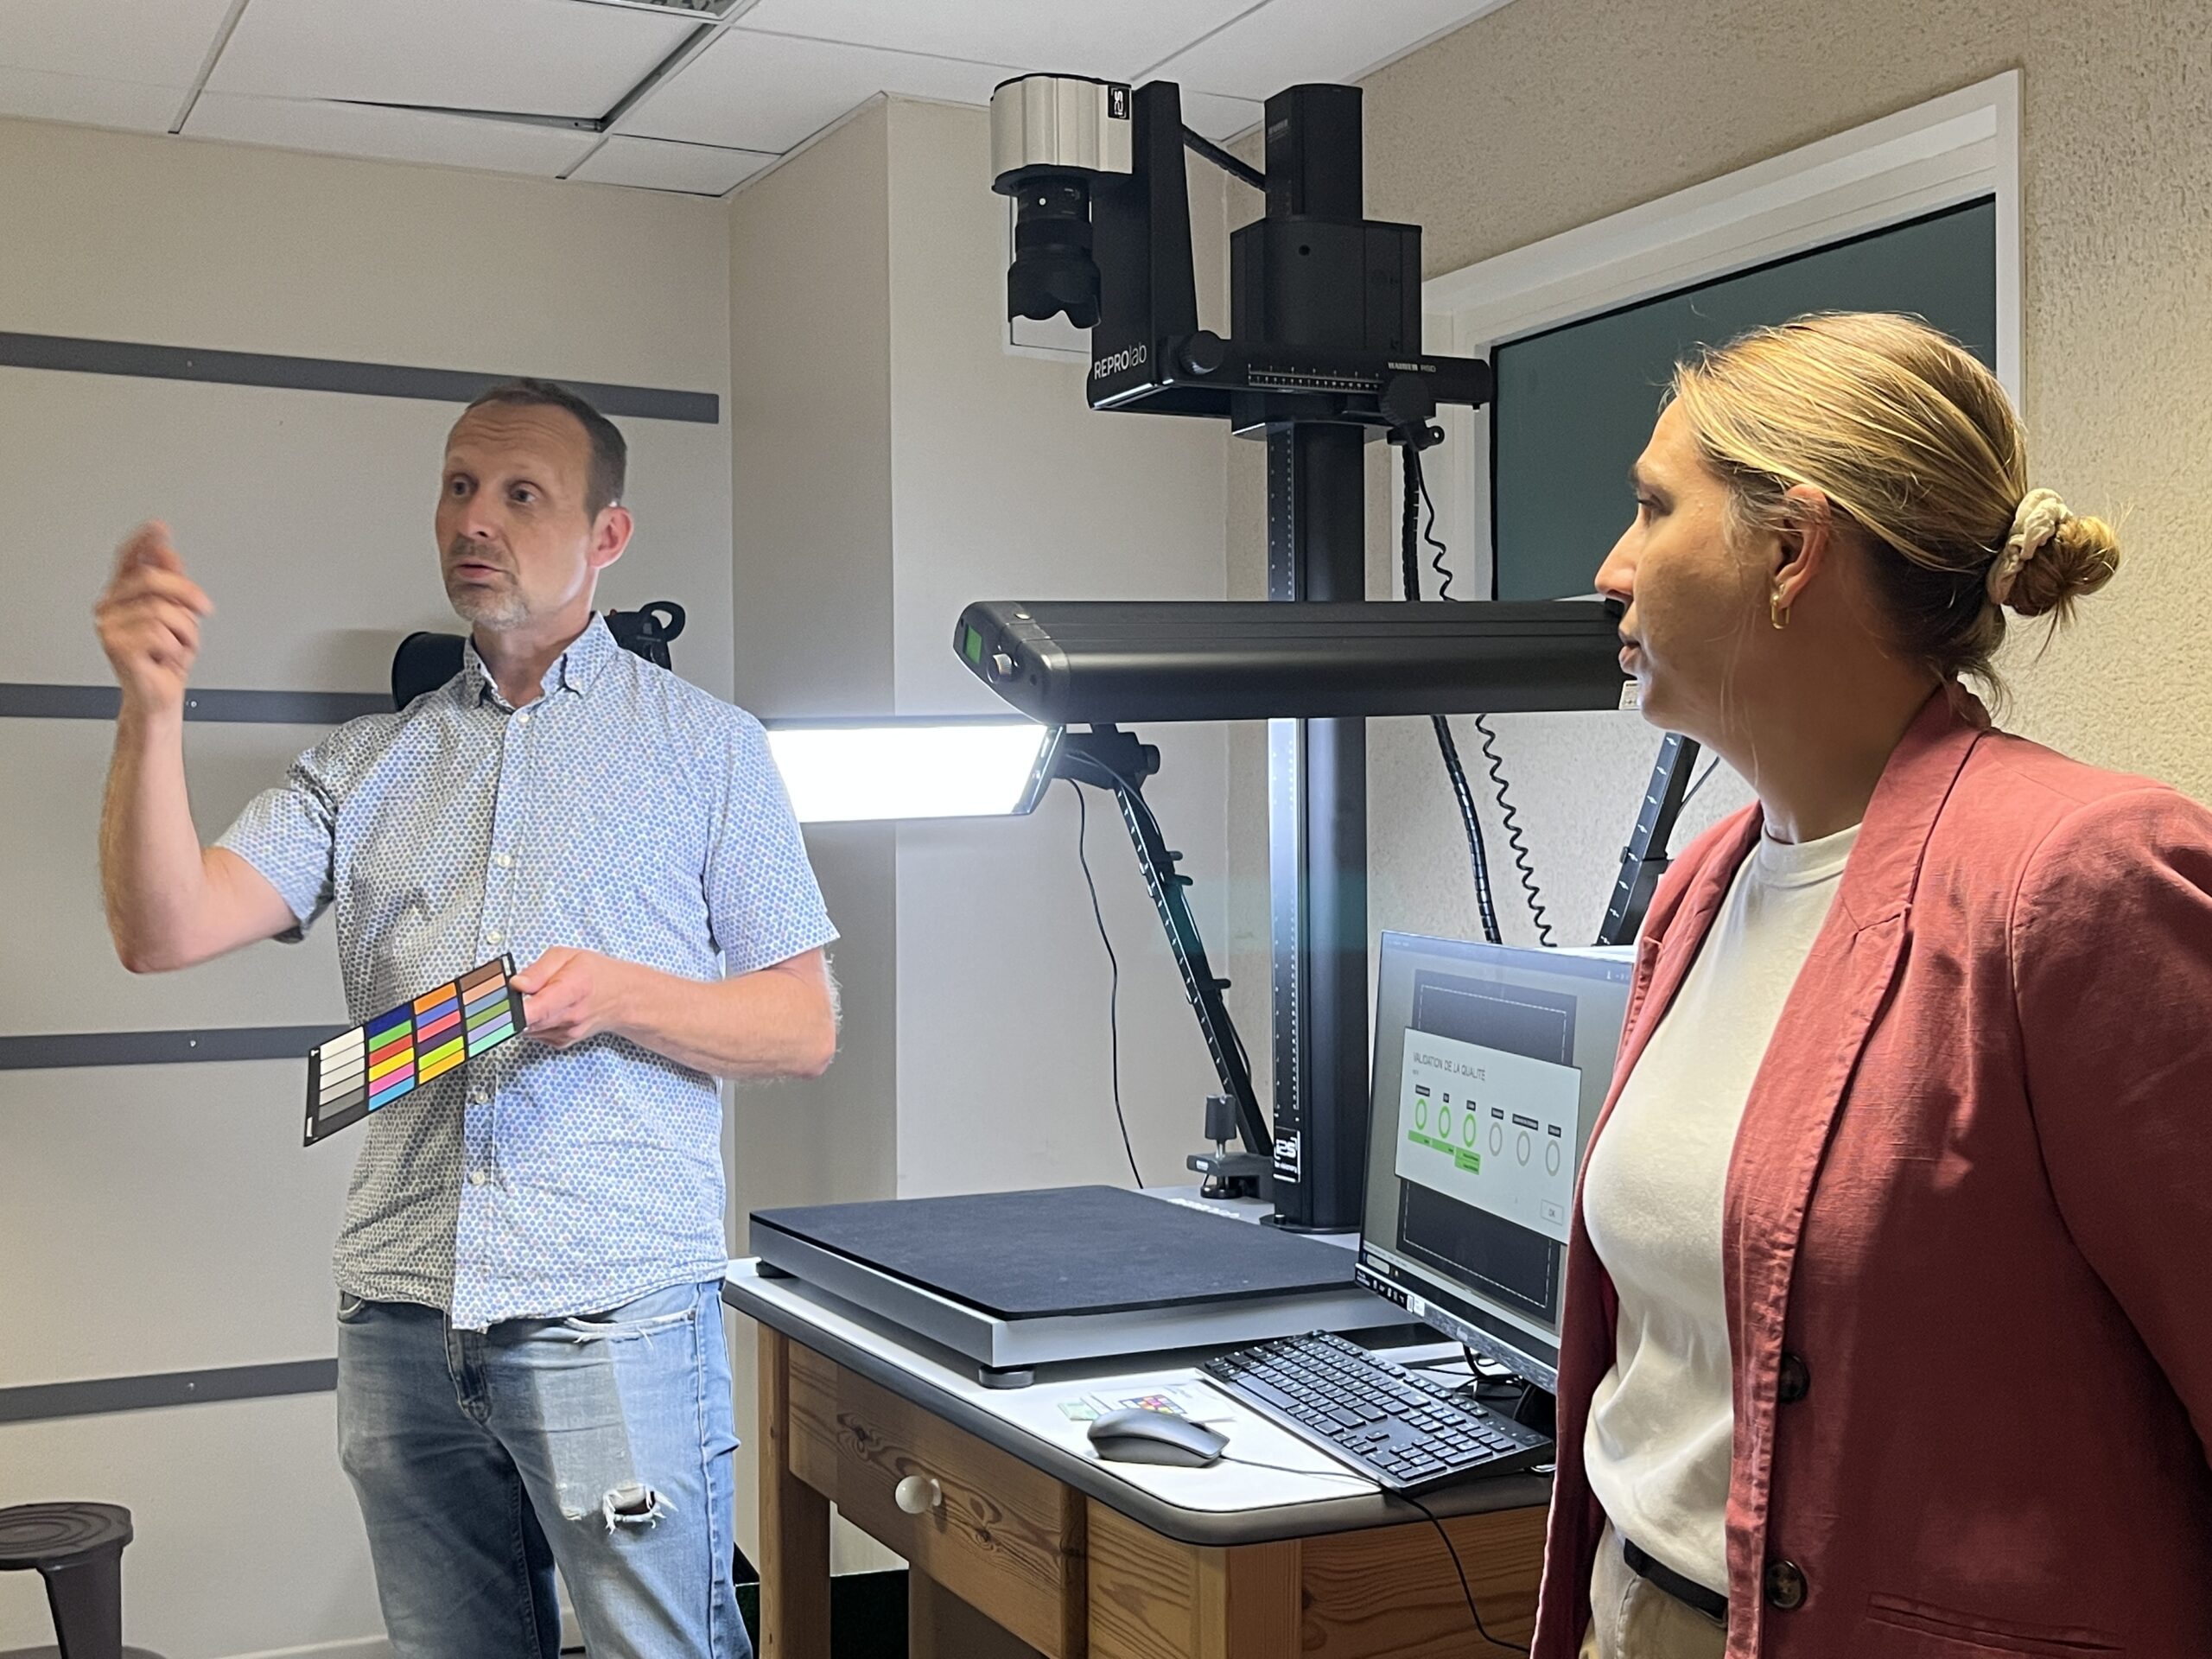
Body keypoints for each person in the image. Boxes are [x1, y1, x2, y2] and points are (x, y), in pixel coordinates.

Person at [94, 378, 838, 1659]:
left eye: (520, 494)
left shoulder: (710, 751)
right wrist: (150, 707)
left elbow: (800, 1025)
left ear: (607, 535)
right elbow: (160, 929)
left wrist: (615, 994)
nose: (474, 519)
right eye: (457, 487)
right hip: (399, 1314)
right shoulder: (363, 765)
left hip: (613, 1310)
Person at [1531, 313, 2212, 1658]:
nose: (1611, 569)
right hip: (1637, 1609)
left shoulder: (2082, 880)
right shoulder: (1706, 884)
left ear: (1794, 549)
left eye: (1653, 508)